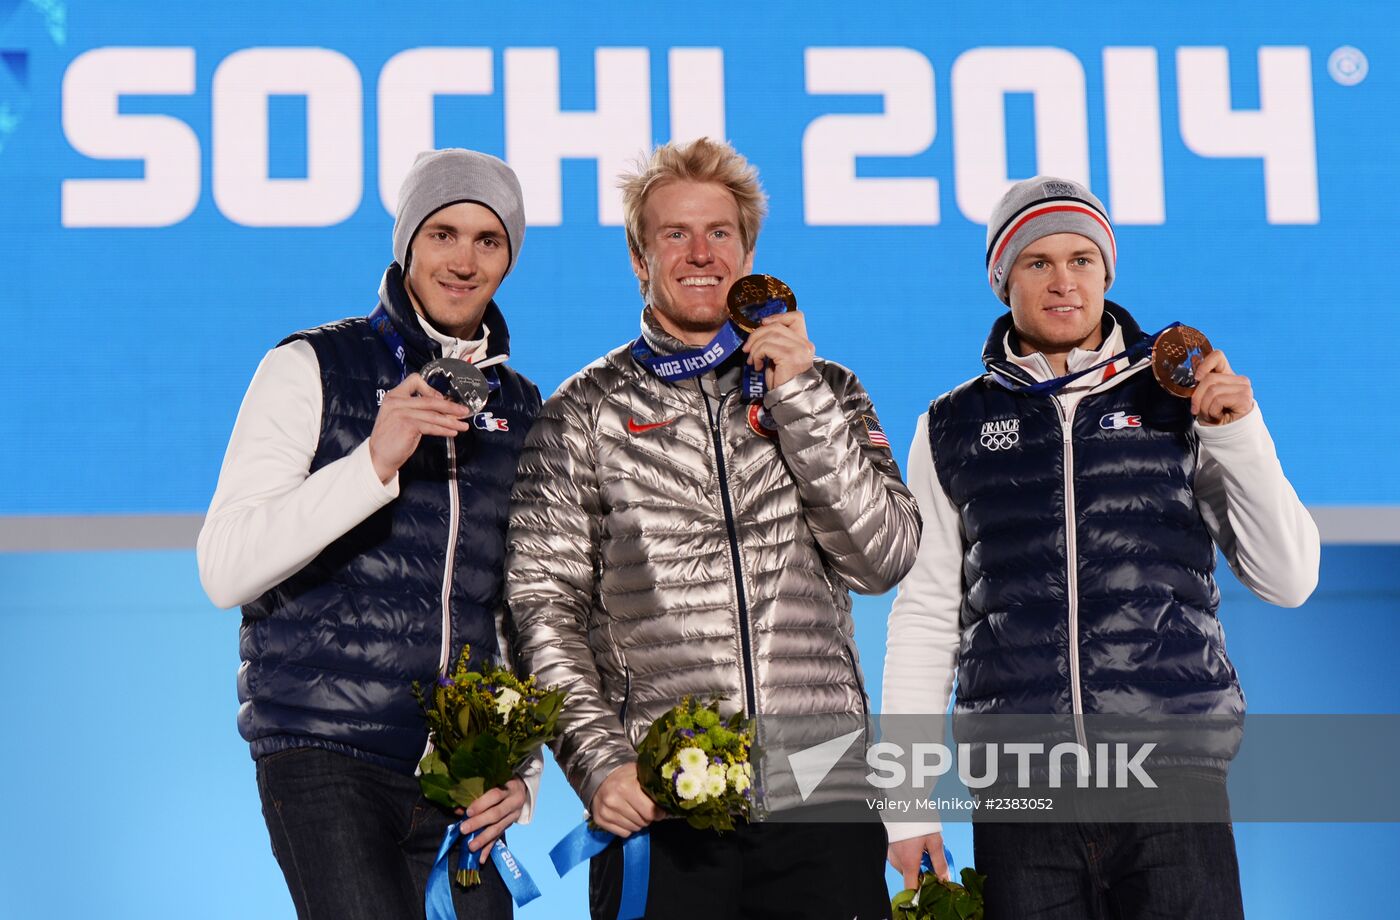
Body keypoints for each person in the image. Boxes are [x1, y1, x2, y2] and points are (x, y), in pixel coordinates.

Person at [881, 175, 1321, 919]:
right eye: (1038, 262)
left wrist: (1238, 434)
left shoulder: (1184, 398)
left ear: (1107, 273)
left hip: (1171, 776)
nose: (1063, 282)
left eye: (1082, 260)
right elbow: (925, 615)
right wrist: (906, 803)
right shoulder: (951, 424)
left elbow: (1289, 578)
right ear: (1002, 280)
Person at [506, 137, 921, 920]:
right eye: (675, 234)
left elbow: (885, 556)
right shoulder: (579, 416)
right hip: (667, 806)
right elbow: (539, 610)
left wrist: (798, 399)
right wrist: (600, 766)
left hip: (821, 794)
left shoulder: (826, 388)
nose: (701, 254)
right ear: (640, 257)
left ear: (750, 250)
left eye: (719, 233)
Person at [197, 149, 542, 919]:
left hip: (463, 772)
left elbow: (517, 603)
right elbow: (225, 569)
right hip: (326, 752)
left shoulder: (520, 407)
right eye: (443, 232)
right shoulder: (309, 366)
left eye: (489, 240)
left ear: (510, 257)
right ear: (407, 243)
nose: (463, 259)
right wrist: (372, 462)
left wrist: (523, 771)